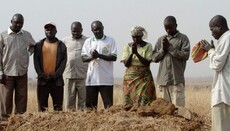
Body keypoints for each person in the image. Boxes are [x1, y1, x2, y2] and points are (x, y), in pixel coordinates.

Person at [0, 13, 36, 120]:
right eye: (16, 22)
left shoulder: (26, 35)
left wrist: (28, 53)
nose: (18, 25)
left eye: (21, 23)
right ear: (11, 21)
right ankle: (4, 122)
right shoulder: (3, 35)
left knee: (22, 99)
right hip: (7, 73)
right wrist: (0, 72)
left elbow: (34, 45)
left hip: (22, 72)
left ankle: (20, 121)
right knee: (6, 99)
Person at [152, 16, 190, 107]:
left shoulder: (183, 38)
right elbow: (154, 58)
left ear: (176, 25)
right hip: (163, 80)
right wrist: (163, 50)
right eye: (166, 28)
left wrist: (170, 48)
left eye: (170, 27)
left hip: (176, 80)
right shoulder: (161, 40)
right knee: (164, 112)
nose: (168, 30)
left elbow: (185, 55)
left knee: (179, 111)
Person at [200, 15, 230, 131]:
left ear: (219, 26)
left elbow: (217, 64)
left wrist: (210, 51)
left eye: (212, 29)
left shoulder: (227, 38)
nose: (211, 33)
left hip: (223, 93)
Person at [81, 20, 117, 109]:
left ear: (103, 28)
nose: (97, 31)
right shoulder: (88, 41)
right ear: (92, 31)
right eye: (95, 30)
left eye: (99, 29)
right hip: (91, 81)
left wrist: (99, 55)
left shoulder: (110, 40)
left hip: (106, 80)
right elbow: (83, 58)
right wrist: (92, 57)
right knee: (90, 108)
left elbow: (114, 57)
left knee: (109, 107)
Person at [34, 22, 67, 112]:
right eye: (47, 29)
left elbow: (63, 63)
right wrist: (41, 75)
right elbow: (36, 62)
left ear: (56, 31)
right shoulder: (38, 45)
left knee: (58, 109)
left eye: (51, 29)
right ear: (44, 31)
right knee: (42, 109)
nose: (49, 31)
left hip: (57, 82)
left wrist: (55, 75)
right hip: (42, 81)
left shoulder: (61, 45)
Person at [121, 26, 156, 107]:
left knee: (144, 100)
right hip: (130, 77)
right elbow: (126, 64)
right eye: (133, 37)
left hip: (144, 77)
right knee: (129, 101)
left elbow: (147, 63)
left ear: (141, 36)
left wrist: (137, 53)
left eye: (137, 37)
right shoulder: (127, 46)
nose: (135, 39)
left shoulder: (148, 46)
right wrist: (132, 53)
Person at [63, 21, 88, 111]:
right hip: (69, 75)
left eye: (78, 31)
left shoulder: (87, 41)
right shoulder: (65, 40)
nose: (75, 33)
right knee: (69, 104)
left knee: (83, 104)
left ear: (82, 30)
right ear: (71, 30)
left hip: (83, 75)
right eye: (73, 31)